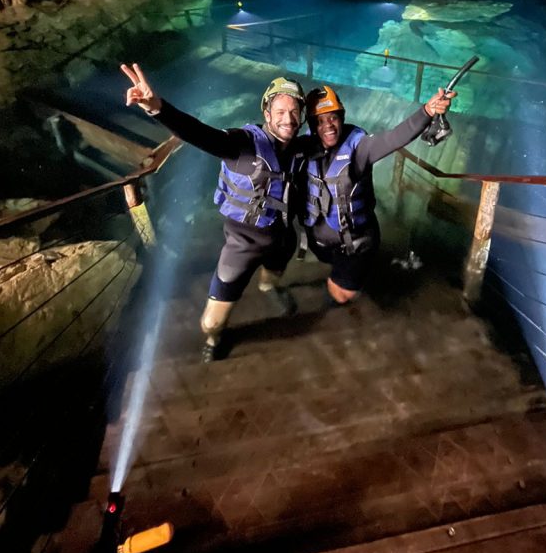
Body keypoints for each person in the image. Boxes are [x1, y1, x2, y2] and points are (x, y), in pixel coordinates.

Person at [120, 63, 306, 362]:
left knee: (274, 272)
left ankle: (269, 286)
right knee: (211, 322)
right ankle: (215, 338)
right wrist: (158, 108)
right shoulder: (242, 144)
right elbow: (201, 134)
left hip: (282, 236)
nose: (288, 119)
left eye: (295, 112)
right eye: (280, 112)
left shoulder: (301, 148)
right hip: (242, 244)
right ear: (267, 115)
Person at [296, 83, 455, 305]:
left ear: (341, 117)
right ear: (312, 126)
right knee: (337, 274)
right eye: (320, 121)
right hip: (320, 241)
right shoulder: (302, 148)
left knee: (342, 293)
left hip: (355, 242)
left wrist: (427, 112)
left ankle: (341, 304)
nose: (328, 126)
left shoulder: (359, 148)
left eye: (332, 118)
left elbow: (394, 138)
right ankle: (346, 282)